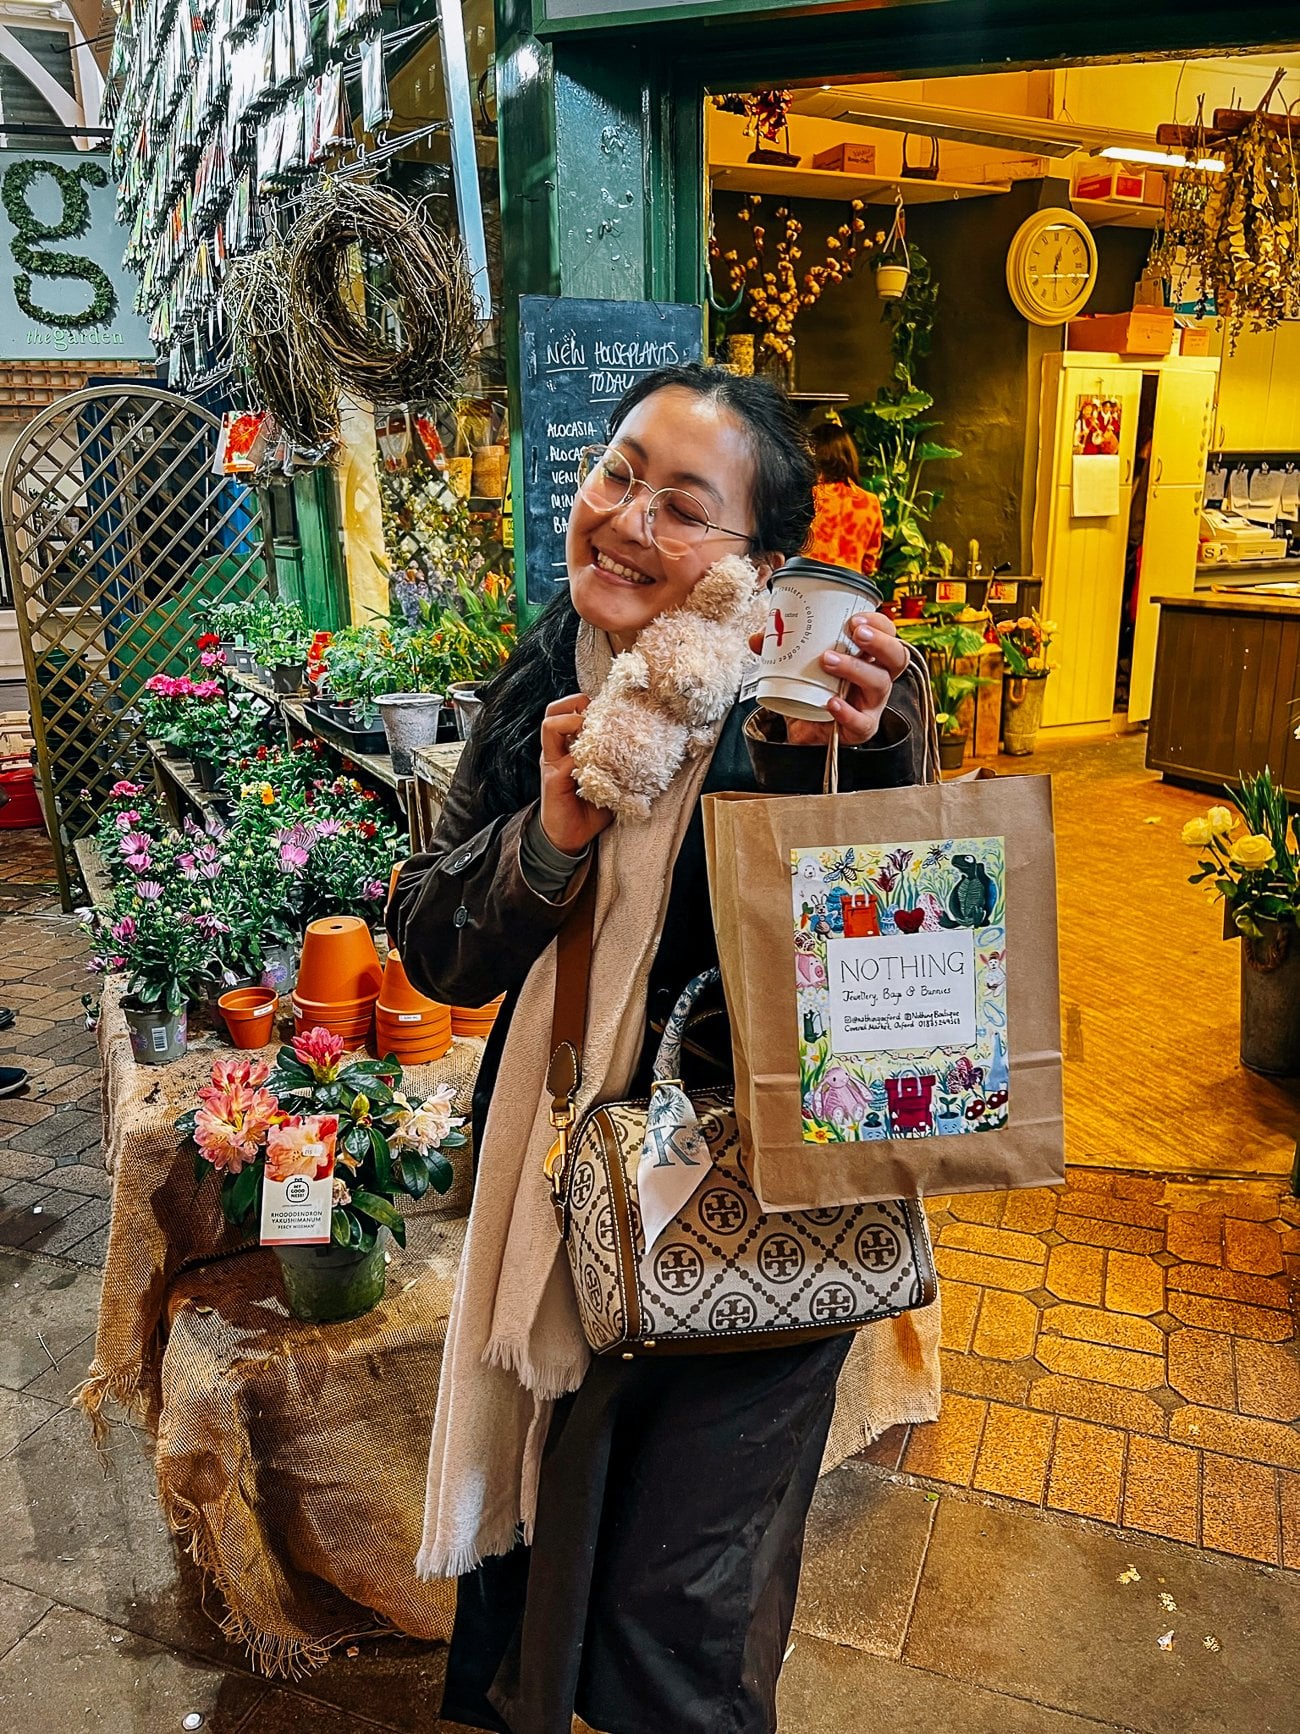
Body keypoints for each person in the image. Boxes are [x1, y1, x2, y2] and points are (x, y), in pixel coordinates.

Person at [388, 364, 934, 1734]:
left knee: (674, 1621)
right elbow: (437, 946)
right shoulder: (549, 675)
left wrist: (878, 760)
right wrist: (551, 839)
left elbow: (890, 984)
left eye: (681, 506)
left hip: (756, 1212)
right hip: (567, 1196)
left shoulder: (805, 698)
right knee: (539, 1570)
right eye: (618, 474)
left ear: (758, 560)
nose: (626, 519)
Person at [803, 416, 884, 577]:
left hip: (806, 590)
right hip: (850, 592)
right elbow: (868, 564)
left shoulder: (805, 498)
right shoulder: (869, 502)